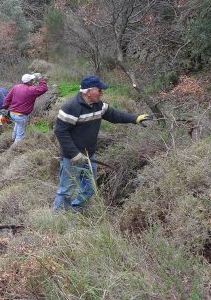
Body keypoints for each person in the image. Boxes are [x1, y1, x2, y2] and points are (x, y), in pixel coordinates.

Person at [52, 75, 153, 212]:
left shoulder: (99, 106)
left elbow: (115, 116)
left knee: (90, 188)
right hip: (72, 158)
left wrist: (135, 118)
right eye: (99, 90)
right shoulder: (71, 107)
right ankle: (57, 217)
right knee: (66, 191)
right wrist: (74, 153)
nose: (101, 93)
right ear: (88, 91)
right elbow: (60, 132)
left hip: (89, 155)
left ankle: (76, 210)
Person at [1, 73, 48, 143]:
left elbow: (7, 99)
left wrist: (4, 108)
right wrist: (40, 79)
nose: (32, 81)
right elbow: (44, 88)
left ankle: (12, 140)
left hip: (11, 114)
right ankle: (13, 151)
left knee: (17, 126)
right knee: (20, 136)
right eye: (32, 80)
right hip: (20, 116)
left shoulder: (16, 87)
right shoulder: (31, 89)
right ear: (29, 82)